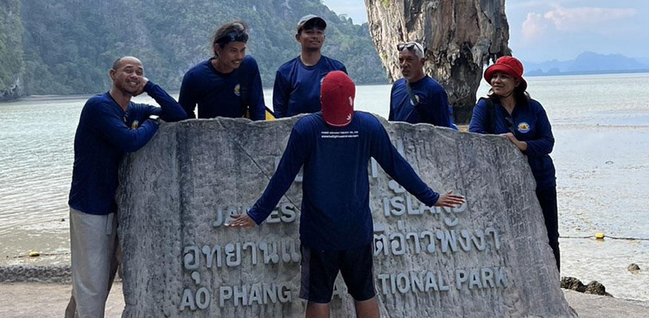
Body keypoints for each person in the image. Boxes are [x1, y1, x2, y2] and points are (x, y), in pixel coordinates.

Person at [228, 71, 465, 318]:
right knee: (364, 293)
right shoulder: (368, 126)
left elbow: (283, 177)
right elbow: (397, 167)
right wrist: (431, 197)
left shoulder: (307, 128)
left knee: (318, 298)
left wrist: (257, 214)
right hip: (357, 231)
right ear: (352, 99)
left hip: (318, 233)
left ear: (321, 99)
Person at [65, 56, 186, 318]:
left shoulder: (132, 110)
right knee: (91, 283)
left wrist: (151, 87)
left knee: (99, 277)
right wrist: (153, 123)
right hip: (90, 206)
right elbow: (129, 141)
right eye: (128, 70)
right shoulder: (99, 106)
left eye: (140, 72)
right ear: (113, 74)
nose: (134, 75)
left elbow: (179, 114)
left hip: (113, 204)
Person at [468, 55, 560, 270]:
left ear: (517, 82)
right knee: (509, 234)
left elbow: (548, 142)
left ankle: (554, 289)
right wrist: (500, 142)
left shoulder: (533, 108)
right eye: (494, 76)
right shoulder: (485, 107)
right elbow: (474, 137)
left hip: (541, 179)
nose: (496, 81)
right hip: (503, 183)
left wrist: (523, 145)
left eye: (503, 76)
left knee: (549, 235)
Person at [178, 20, 265, 120]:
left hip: (241, 130)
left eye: (242, 50)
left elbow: (257, 106)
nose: (239, 56)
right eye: (233, 51)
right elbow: (184, 115)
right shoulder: (195, 77)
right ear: (217, 49)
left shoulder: (248, 66)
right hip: (209, 132)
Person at [273, 14, 347, 118]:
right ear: (298, 38)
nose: (315, 36)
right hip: (295, 131)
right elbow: (279, 112)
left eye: (319, 32)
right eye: (309, 32)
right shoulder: (285, 72)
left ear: (324, 38)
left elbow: (345, 106)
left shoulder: (337, 69)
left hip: (327, 131)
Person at [388, 41, 455, 128]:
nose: (404, 64)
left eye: (409, 60)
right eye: (401, 60)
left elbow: (444, 129)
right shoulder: (397, 86)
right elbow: (391, 123)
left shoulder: (435, 90)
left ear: (422, 62)